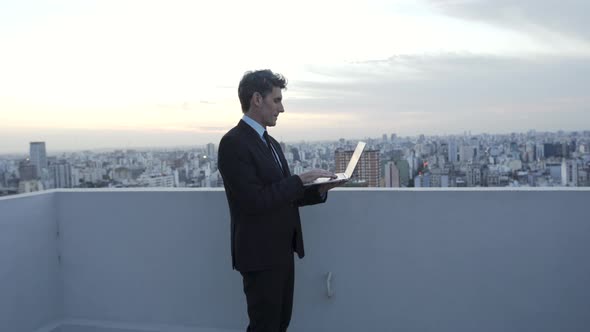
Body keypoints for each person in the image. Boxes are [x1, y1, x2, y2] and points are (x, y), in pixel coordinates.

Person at [218, 69, 342, 332]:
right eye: (276, 100)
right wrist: (299, 180)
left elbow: (282, 196)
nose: (282, 108)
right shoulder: (233, 143)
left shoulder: (270, 143)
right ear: (257, 100)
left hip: (281, 251)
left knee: (280, 323)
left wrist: (319, 189)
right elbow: (253, 201)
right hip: (259, 255)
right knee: (265, 326)